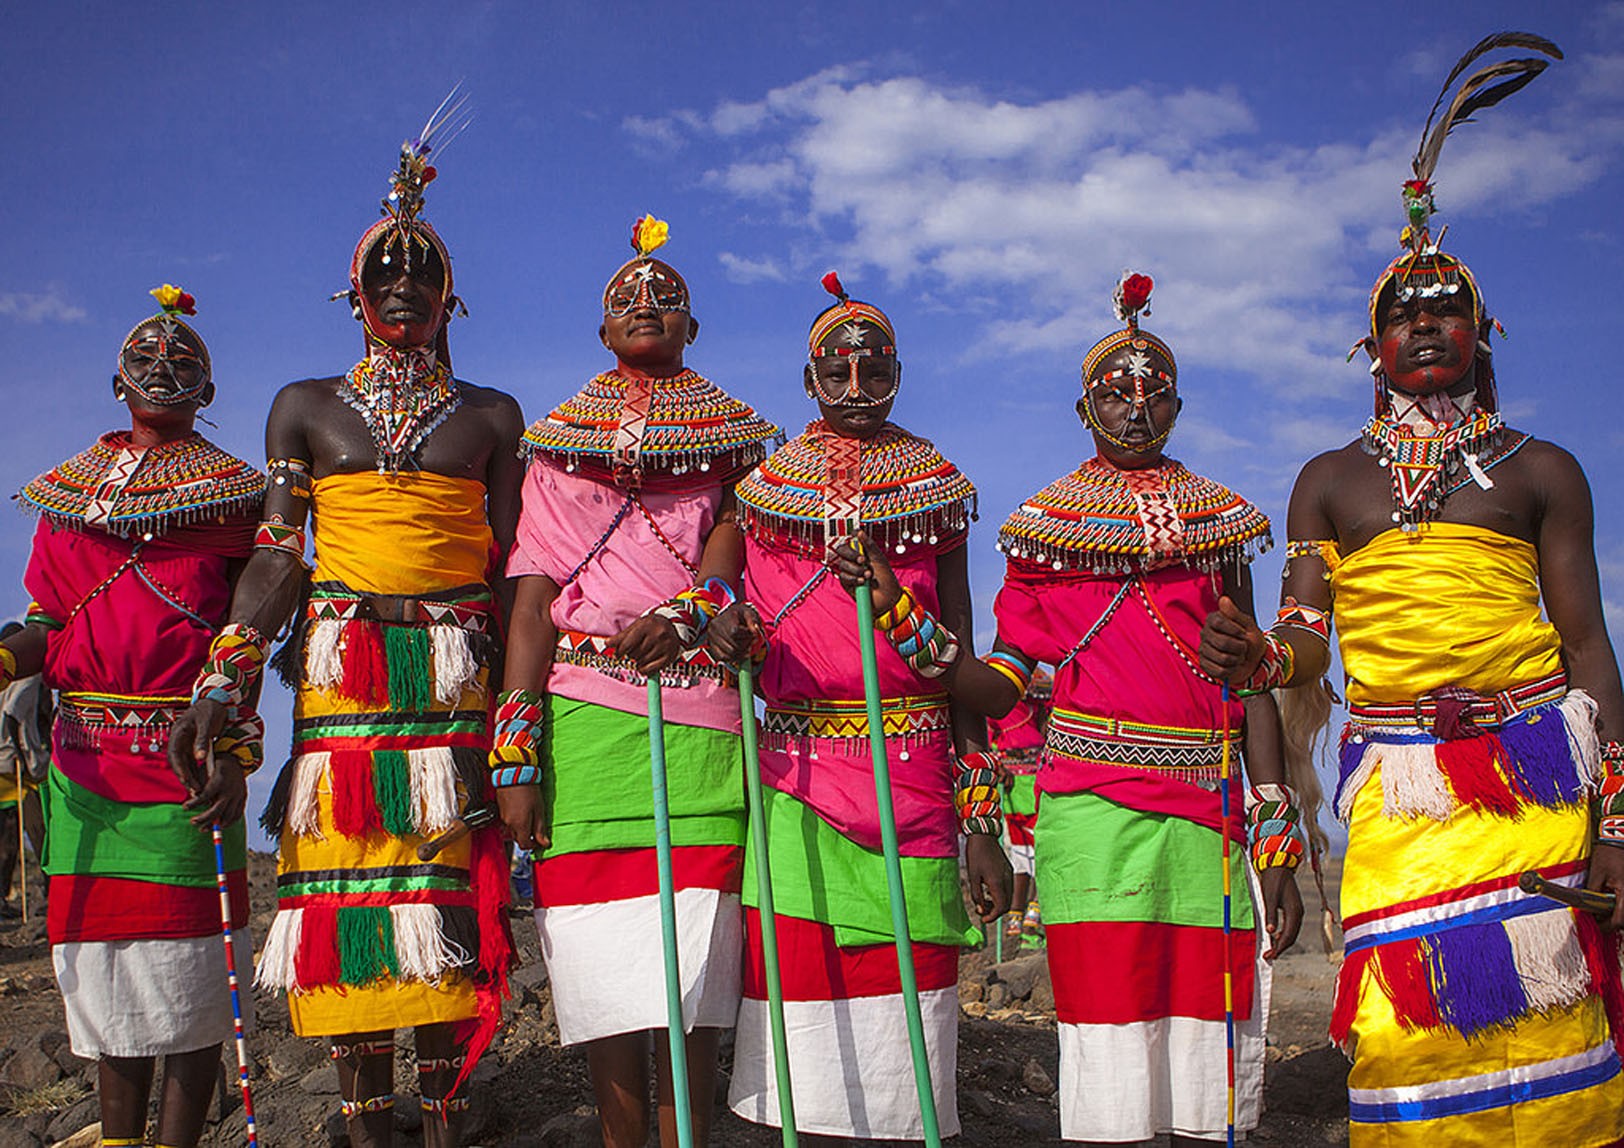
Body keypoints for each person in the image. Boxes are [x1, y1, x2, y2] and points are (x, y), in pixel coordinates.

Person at [1198, 34, 1624, 1147]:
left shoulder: (1542, 468)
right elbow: (1303, 637)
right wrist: (1262, 658)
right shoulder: (1327, 480)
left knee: (1550, 1011)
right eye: (1403, 310)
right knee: (1403, 1025)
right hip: (1397, 792)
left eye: (1445, 307)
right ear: (1371, 345)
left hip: (1534, 775)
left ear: (1482, 335)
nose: (1425, 321)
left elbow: (1588, 649)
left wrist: (1618, 819)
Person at [169, 105, 523, 1148]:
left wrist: (519, 713)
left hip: (457, 671)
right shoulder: (303, 407)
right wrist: (226, 675)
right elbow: (279, 554)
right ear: (354, 291)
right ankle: (367, 1117)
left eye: (421, 266)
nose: (402, 282)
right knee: (350, 876)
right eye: (384, 270)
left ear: (450, 290)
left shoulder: (494, 416)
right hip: (346, 672)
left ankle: (448, 1101)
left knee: (445, 874)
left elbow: (511, 566)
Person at [985, 273, 1300, 1144]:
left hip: (1209, 815)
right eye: (1114, 395)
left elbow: (1254, 680)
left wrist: (1276, 839)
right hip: (1091, 810)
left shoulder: (1221, 527)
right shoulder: (1045, 530)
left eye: (1153, 393)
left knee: (1207, 1056)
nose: (1134, 409)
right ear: (1083, 408)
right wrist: (910, 632)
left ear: (1179, 406)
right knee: (1113, 1051)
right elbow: (1004, 680)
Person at [494, 217, 781, 1148]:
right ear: (601, 330)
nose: (645, 309)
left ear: (695, 328)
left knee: (694, 981)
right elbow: (531, 611)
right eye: (625, 301)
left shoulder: (738, 448)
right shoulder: (553, 451)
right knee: (601, 976)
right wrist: (515, 758)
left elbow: (731, 564)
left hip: (700, 727)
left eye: (666, 301)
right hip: (581, 730)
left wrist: (691, 611)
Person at [708, 272, 1012, 1140]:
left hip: (912, 787)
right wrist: (726, 626)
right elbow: (720, 595)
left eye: (873, 372)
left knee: (905, 1049)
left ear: (899, 375)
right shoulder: (761, 489)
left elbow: (961, 674)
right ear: (807, 381)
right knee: (796, 1049)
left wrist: (981, 822)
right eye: (835, 374)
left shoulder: (936, 490)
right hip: (796, 786)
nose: (854, 390)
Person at [8, 285, 265, 1148]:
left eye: (184, 364)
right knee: (105, 981)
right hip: (83, 775)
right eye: (145, 362)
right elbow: (47, 625)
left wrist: (232, 748)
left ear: (209, 393)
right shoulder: (68, 503)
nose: (163, 372)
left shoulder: (235, 505)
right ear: (116, 380)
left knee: (190, 986)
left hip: (187, 764)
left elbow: (248, 635)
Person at [988, 666, 1051, 946]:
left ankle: (1028, 917)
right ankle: (1023, 918)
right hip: (1014, 780)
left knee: (1038, 847)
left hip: (1035, 776)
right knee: (1023, 850)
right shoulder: (1001, 695)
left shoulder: (1037, 690)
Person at [0, 620, 50, 915]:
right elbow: (13, 714)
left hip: (5, 760)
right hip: (17, 764)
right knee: (38, 829)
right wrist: (26, 757)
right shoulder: (28, 675)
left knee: (8, 831)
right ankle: (48, 893)